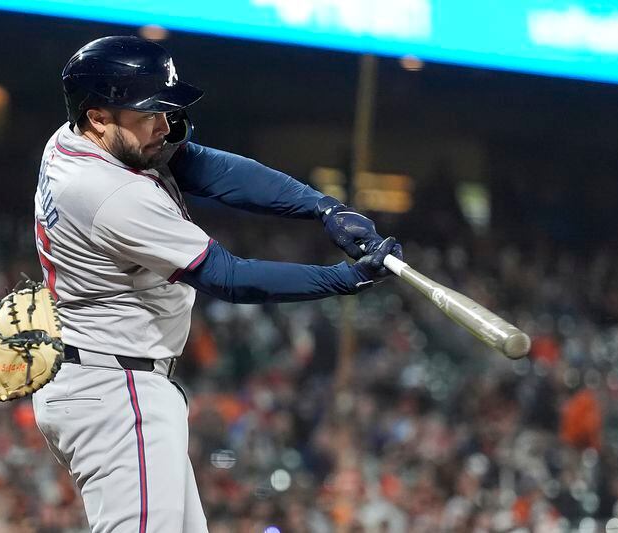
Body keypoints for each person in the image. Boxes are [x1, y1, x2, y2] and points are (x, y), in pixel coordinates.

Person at [31, 35, 402, 532]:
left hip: (111, 379)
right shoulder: (108, 193)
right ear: (99, 116)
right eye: (150, 113)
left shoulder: (78, 138)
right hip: (114, 389)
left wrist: (324, 207)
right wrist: (343, 279)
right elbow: (227, 276)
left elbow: (203, 166)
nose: (165, 124)